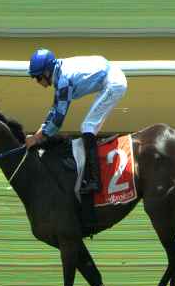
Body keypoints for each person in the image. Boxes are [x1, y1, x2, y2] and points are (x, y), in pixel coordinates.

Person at [26, 49, 127, 198]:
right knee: (89, 127)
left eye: (37, 77)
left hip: (114, 83)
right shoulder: (59, 73)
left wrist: (38, 138)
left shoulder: (63, 81)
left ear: (46, 72)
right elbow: (55, 108)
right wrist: (39, 133)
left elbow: (58, 120)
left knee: (87, 126)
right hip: (110, 78)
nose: (37, 81)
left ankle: (95, 180)